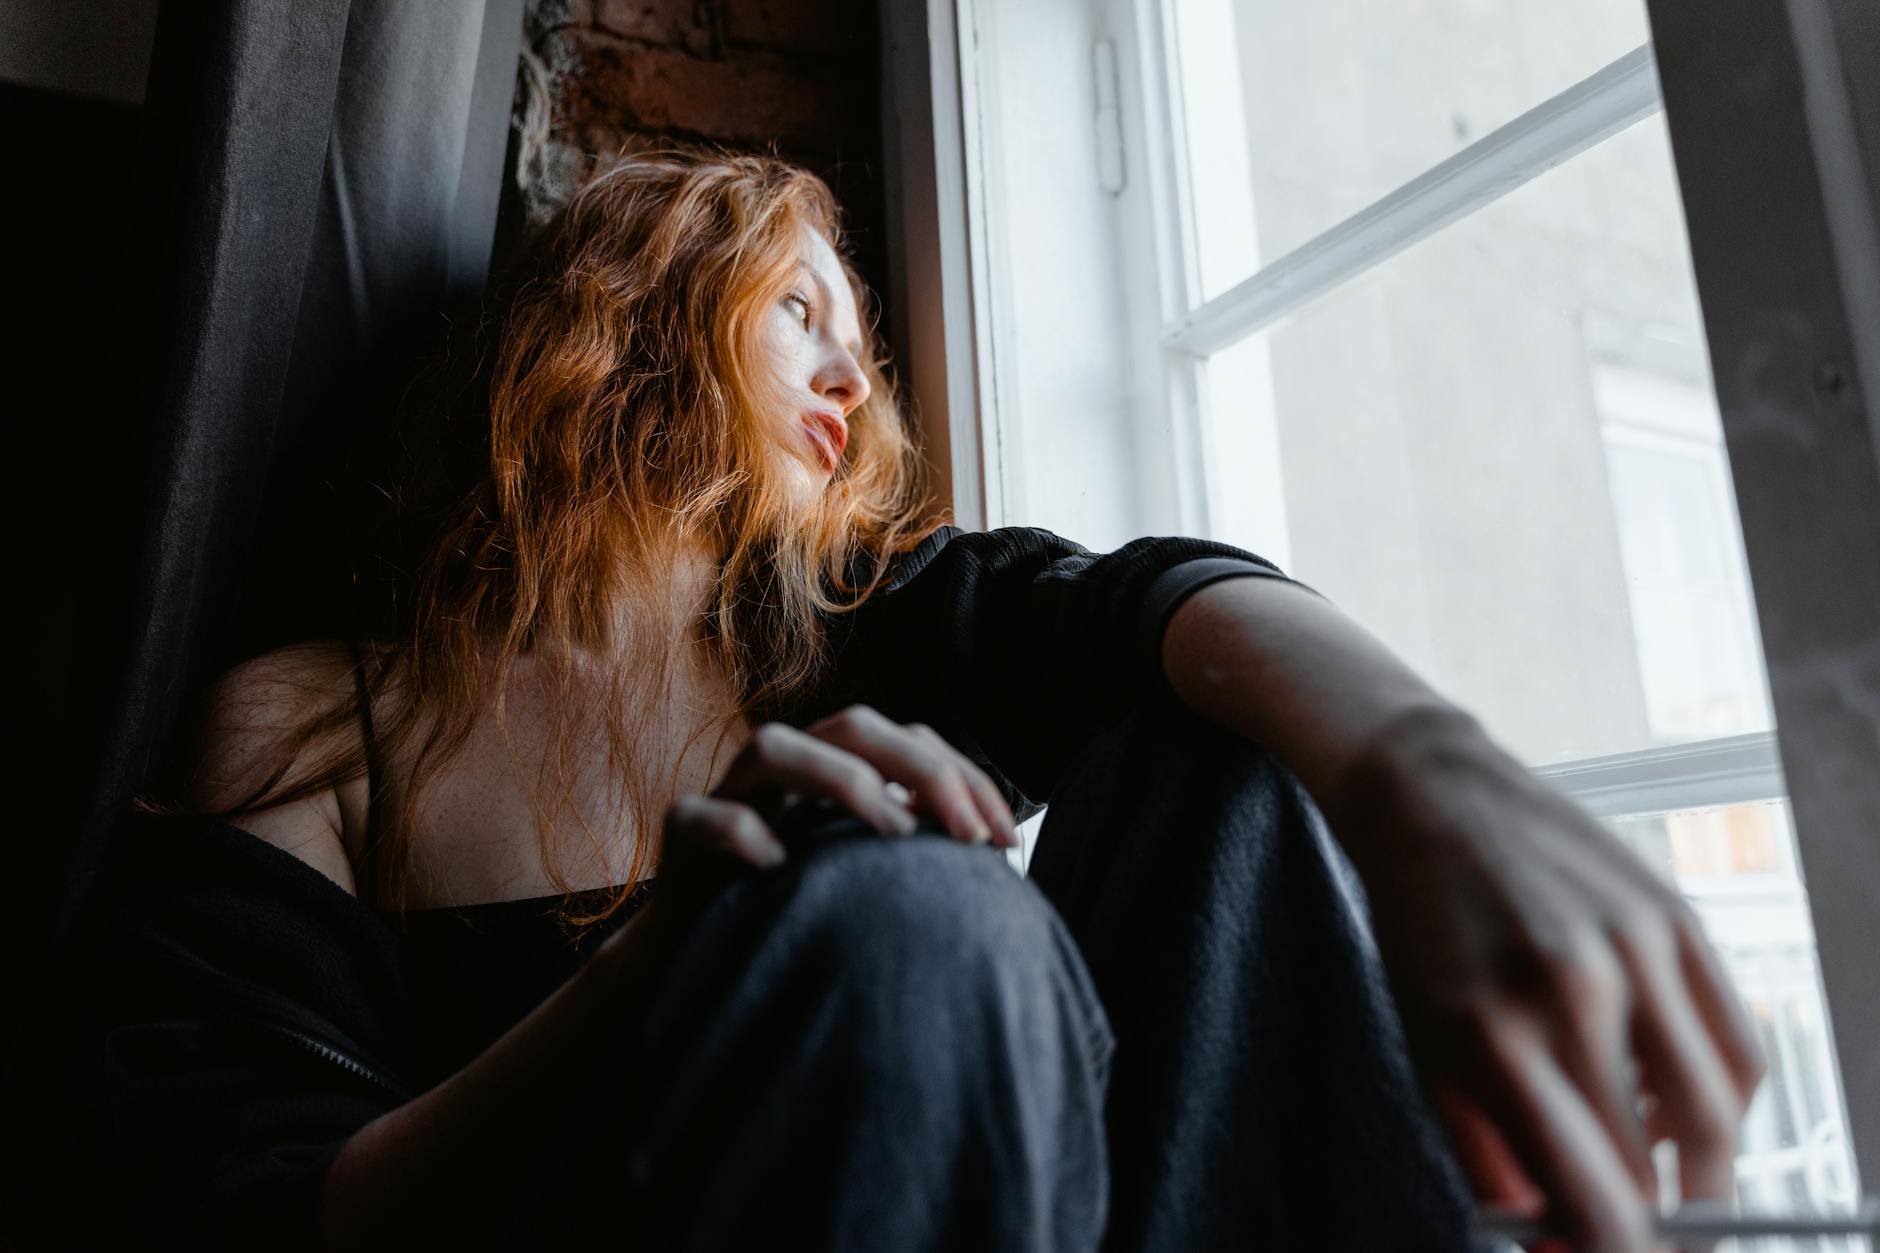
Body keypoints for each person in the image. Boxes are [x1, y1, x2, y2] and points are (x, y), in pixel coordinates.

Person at [70, 147, 1765, 1253]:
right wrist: (699, 944)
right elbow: (280, 1204)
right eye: (795, 306)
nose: (846, 373)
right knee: (907, 919)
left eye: (856, 337)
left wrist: (1430, 776)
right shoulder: (317, 726)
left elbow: (1137, 606)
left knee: (1224, 756)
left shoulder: (844, 630)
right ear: (636, 308)